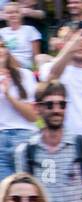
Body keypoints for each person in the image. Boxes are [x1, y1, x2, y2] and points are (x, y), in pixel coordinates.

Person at [0, 34, 35, 183]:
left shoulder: (24, 75)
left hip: (25, 137)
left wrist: (8, 95)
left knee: (29, 188)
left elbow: (33, 116)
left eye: (1, 46)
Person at [1, 3, 40, 70]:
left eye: (16, 12)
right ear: (4, 15)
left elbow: (36, 55)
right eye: (9, 13)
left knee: (4, 52)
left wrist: (36, 70)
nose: (13, 15)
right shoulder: (1, 31)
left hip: (23, 65)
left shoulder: (30, 30)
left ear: (21, 14)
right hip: (4, 62)